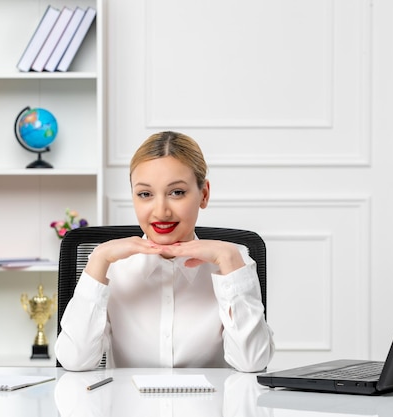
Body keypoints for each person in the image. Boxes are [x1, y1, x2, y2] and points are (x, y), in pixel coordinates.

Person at [55, 131, 274, 372]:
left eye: (177, 192)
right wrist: (98, 259)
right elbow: (74, 361)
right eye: (145, 194)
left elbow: (253, 362)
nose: (161, 211)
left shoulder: (234, 264)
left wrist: (231, 260)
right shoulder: (112, 267)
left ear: (204, 194)